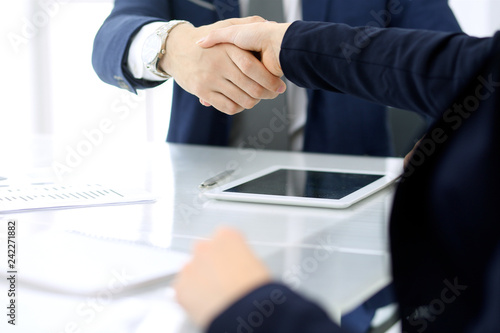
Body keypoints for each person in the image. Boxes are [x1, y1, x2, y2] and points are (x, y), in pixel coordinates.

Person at [172, 20, 500, 333]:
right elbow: (467, 66)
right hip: (200, 216)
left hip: (349, 256)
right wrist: (286, 43)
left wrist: (250, 311)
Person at [92, 0, 461, 155]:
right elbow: (111, 40)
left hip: (346, 194)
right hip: (202, 199)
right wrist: (170, 45)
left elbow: (453, 69)